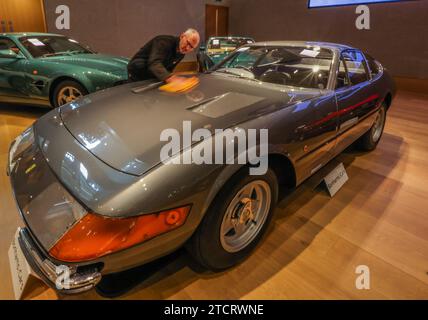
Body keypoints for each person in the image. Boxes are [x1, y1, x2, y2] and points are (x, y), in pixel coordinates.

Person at [128, 28, 200, 84]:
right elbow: (154, 63)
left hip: (152, 75)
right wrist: (170, 78)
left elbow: (169, 69)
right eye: (187, 43)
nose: (187, 48)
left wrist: (173, 79)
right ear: (182, 36)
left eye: (191, 47)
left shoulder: (181, 53)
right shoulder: (163, 41)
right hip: (138, 72)